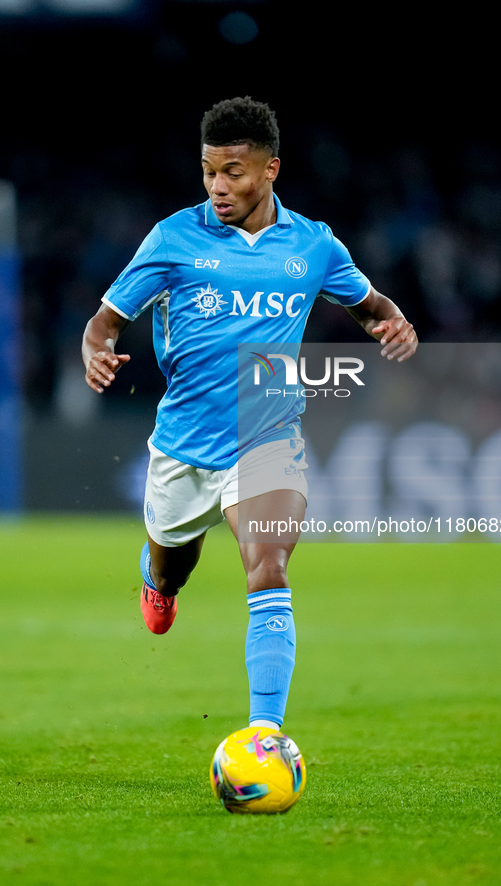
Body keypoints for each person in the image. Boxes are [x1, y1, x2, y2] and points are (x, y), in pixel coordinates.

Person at [82, 96, 417, 733]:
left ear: (271, 170)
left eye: (233, 171)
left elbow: (370, 304)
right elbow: (104, 322)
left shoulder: (314, 244)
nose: (217, 186)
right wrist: (97, 353)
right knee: (170, 565)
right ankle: (160, 582)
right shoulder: (174, 237)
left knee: (269, 564)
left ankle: (266, 734)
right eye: (209, 171)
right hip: (183, 444)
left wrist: (393, 326)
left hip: (269, 433)